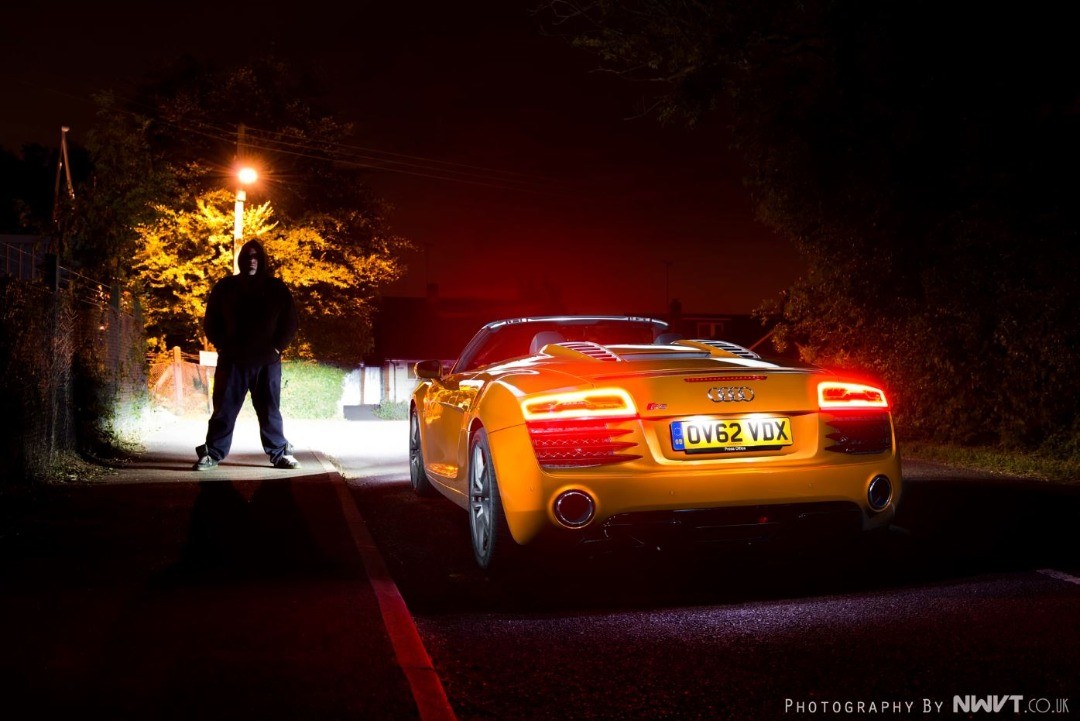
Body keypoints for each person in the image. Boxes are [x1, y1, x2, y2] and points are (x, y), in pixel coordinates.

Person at [193, 239, 301, 470]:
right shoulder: (225, 288)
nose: (252, 261)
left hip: (267, 363)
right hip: (233, 361)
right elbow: (211, 321)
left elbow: (290, 322)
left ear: (262, 260)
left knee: (270, 410)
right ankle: (212, 453)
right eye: (248, 256)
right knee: (224, 410)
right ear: (241, 259)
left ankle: (280, 453)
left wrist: (276, 349)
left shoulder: (276, 289)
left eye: (256, 257)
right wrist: (223, 346)